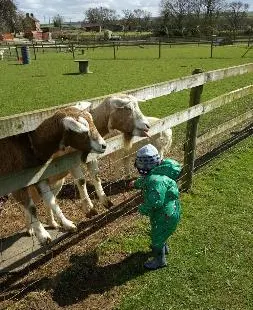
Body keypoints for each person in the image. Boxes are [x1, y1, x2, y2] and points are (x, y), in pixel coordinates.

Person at [129, 144, 182, 270]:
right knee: (163, 232)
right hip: (172, 209)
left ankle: (160, 260)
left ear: (141, 167)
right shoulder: (160, 172)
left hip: (163, 214)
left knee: (156, 237)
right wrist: (135, 183)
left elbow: (155, 202)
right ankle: (164, 247)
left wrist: (143, 208)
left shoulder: (155, 181)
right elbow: (146, 181)